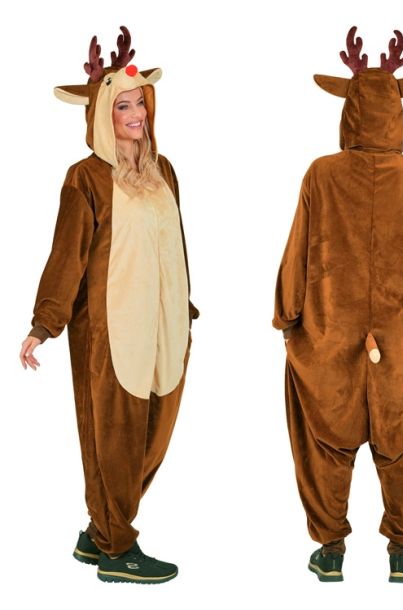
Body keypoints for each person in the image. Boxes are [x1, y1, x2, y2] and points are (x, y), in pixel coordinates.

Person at [272, 26, 403, 584]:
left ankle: (330, 549)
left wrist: (288, 318)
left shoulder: (321, 174)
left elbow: (297, 252)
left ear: (350, 110)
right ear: (396, 111)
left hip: (327, 337)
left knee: (324, 445)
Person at [19, 26, 199, 584]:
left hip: (167, 326)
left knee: (154, 434)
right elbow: (66, 255)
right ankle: (118, 549)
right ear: (102, 114)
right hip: (109, 330)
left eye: (140, 102)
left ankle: (99, 530)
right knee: (114, 440)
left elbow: (177, 244)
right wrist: (44, 323)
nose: (136, 113)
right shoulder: (87, 178)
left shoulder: (164, 171)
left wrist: (186, 306)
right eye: (123, 105)